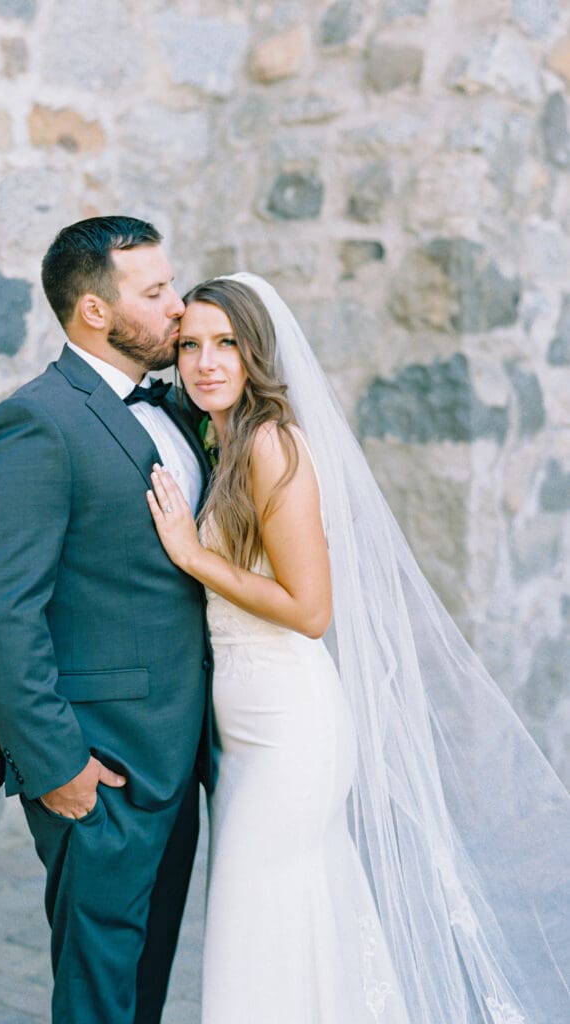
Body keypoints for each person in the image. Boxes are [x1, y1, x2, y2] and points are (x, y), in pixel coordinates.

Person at [147, 273, 569, 1024]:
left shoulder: (271, 445)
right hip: (243, 728)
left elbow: (310, 610)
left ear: (256, 354)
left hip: (289, 729)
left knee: (256, 919)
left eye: (225, 345)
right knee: (290, 921)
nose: (205, 362)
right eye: (189, 346)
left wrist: (192, 553)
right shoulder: (224, 439)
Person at [0, 216, 214, 1024]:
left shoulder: (174, 407)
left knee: (145, 974)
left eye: (171, 284)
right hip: (99, 763)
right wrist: (56, 764)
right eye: (154, 292)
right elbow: (1, 608)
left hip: (179, 754)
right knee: (97, 988)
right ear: (94, 312)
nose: (177, 306)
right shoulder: (37, 420)